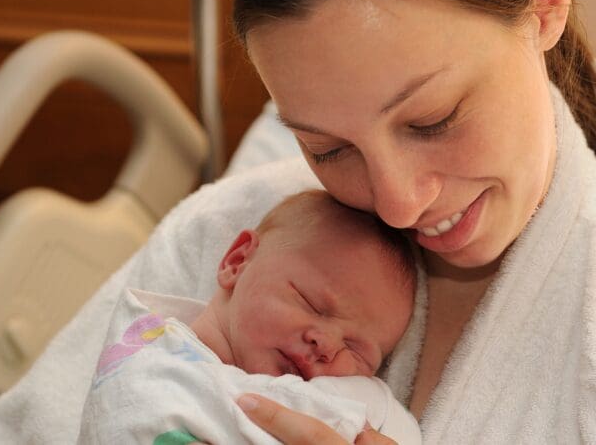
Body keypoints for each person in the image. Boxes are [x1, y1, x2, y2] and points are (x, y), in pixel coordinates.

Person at [226, 0, 596, 443]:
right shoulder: (225, 230)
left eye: (433, 120)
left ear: (545, 7)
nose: (398, 205)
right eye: (328, 150)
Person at [77, 190, 421, 444]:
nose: (327, 345)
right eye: (311, 303)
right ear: (237, 261)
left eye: (357, 350)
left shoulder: (350, 407)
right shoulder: (149, 370)